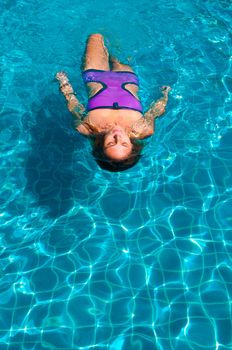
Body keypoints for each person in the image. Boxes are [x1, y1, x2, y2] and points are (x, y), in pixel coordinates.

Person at [56, 34, 171, 172]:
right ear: (132, 146)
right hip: (127, 77)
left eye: (111, 143)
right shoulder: (144, 130)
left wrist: (64, 84)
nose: (118, 136)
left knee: (95, 35)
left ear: (101, 146)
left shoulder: (87, 128)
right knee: (117, 44)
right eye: (124, 143)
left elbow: (74, 105)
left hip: (94, 74)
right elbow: (154, 111)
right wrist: (164, 95)